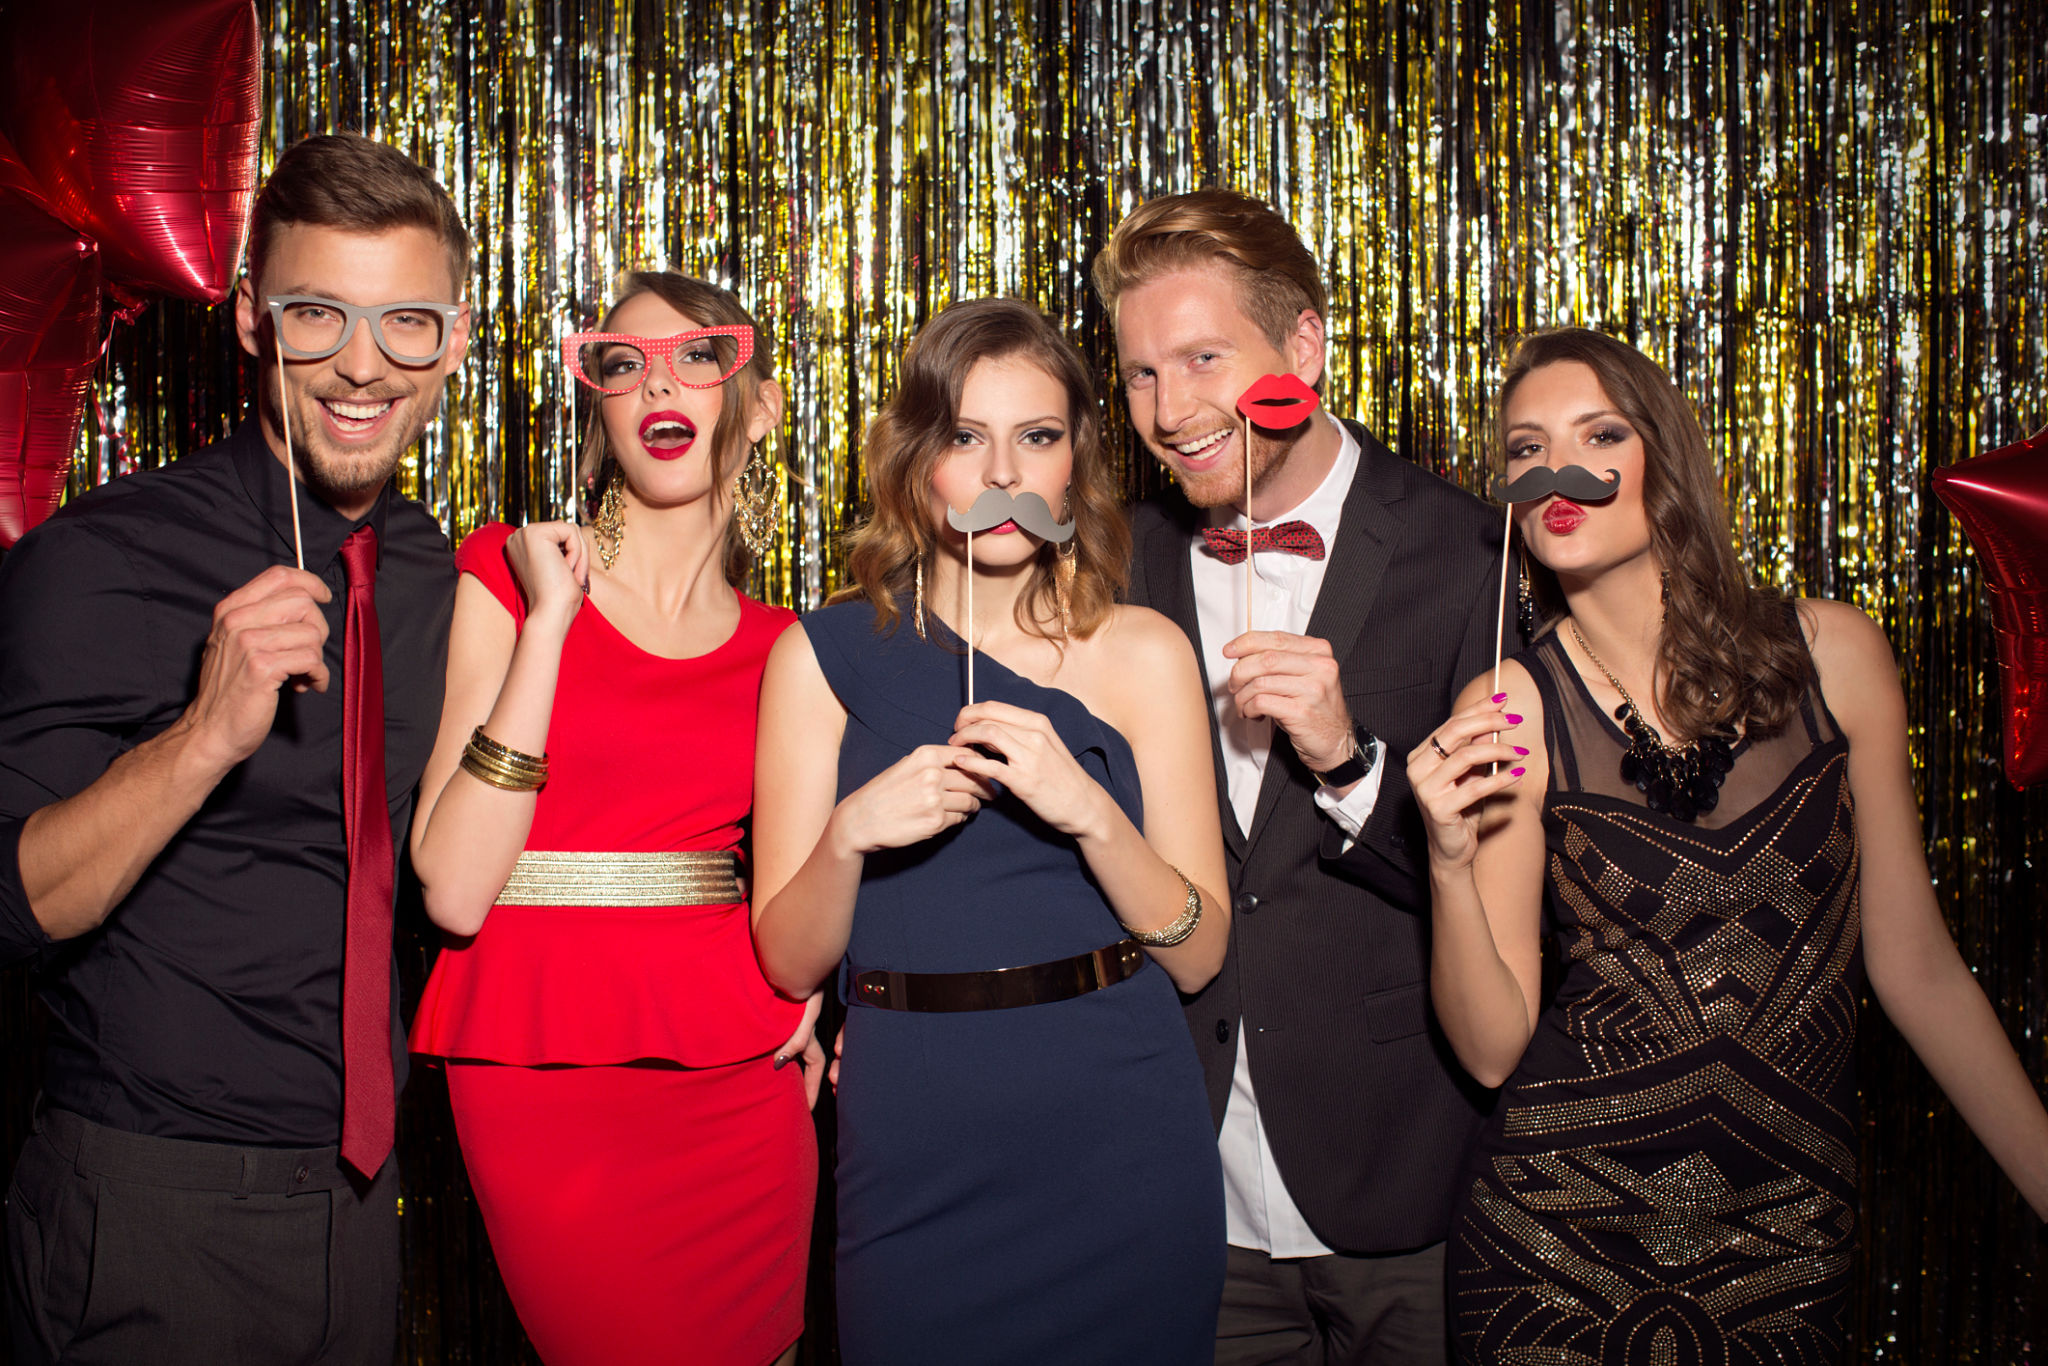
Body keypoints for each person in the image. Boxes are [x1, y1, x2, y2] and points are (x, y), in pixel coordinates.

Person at [1412, 326, 2048, 1362]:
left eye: (1596, 432)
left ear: (1663, 454)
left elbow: (1916, 968)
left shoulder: (1832, 654)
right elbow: (1488, 1050)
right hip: (1555, 1248)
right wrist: (1445, 860)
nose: (1555, 469)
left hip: (1787, 1246)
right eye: (1524, 449)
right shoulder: (1510, 704)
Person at [0, 133, 469, 1365]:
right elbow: (14, 902)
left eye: (405, 323)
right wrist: (202, 738)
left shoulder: (434, 572)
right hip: (152, 1202)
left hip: (364, 1208)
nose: (362, 367)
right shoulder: (103, 557)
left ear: (455, 339)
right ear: (255, 320)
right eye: (319, 315)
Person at [751, 298, 1230, 1364]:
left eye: (1038, 438)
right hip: (917, 1129)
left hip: (1122, 1128)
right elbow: (785, 958)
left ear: (1075, 465)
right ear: (920, 461)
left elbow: (1199, 955)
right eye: (967, 437)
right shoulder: (819, 655)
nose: (1004, 473)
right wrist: (847, 836)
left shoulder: (1144, 651)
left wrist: (1091, 812)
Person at [1095, 188, 1506, 1362]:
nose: (1170, 411)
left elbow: (1523, 890)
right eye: (1138, 375)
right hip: (1183, 1190)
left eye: (1202, 358)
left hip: (1403, 1185)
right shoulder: (1118, 561)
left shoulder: (1468, 555)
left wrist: (1345, 760)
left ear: (1304, 346)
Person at [405, 271, 817, 1366]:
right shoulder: (503, 570)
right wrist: (550, 625)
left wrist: (819, 985)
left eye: (700, 358)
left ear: (758, 404)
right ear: (601, 409)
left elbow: (793, 882)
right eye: (624, 364)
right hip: (543, 1074)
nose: (657, 384)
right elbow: (450, 886)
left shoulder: (787, 645)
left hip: (738, 1083)